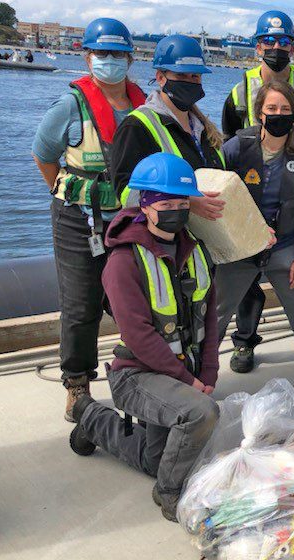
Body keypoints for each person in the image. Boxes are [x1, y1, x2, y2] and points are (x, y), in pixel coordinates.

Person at [68, 153, 221, 522]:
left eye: (182, 203)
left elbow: (211, 317)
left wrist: (209, 373)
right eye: (166, 204)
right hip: (138, 375)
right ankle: (168, 493)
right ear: (146, 205)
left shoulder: (195, 249)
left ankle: (88, 416)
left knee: (157, 459)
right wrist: (190, 383)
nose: (176, 211)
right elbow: (138, 335)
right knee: (201, 414)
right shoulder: (123, 261)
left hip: (176, 373)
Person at [32, 17, 145, 421]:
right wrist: (72, 194)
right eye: (102, 53)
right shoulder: (70, 105)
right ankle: (77, 383)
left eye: (117, 53)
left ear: (130, 58)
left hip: (129, 219)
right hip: (78, 219)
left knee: (137, 299)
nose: (109, 60)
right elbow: (44, 155)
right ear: (88, 56)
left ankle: (140, 370)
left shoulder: (142, 105)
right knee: (80, 306)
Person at [220, 11, 294, 368]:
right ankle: (239, 345)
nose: (277, 48)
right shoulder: (237, 96)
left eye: (284, 43)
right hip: (244, 233)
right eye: (270, 42)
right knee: (228, 304)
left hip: (288, 226)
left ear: (292, 48)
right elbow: (222, 172)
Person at [109, 34, 226, 216]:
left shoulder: (203, 128)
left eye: (195, 76)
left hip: (204, 239)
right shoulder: (136, 126)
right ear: (160, 78)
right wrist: (187, 202)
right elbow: (126, 193)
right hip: (166, 238)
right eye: (180, 75)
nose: (189, 81)